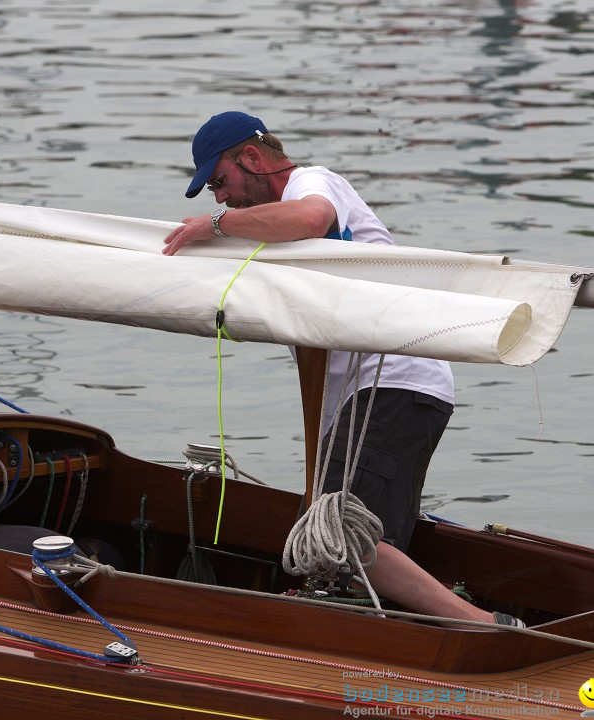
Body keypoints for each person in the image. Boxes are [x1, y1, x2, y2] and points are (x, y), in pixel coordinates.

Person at [163, 111, 523, 629]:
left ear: (252, 157)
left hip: (391, 381)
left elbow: (311, 220)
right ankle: (388, 635)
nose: (219, 198)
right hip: (375, 397)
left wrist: (212, 227)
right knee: (350, 550)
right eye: (213, 195)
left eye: (219, 182)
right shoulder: (265, 233)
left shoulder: (312, 182)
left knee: (343, 536)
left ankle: (489, 630)